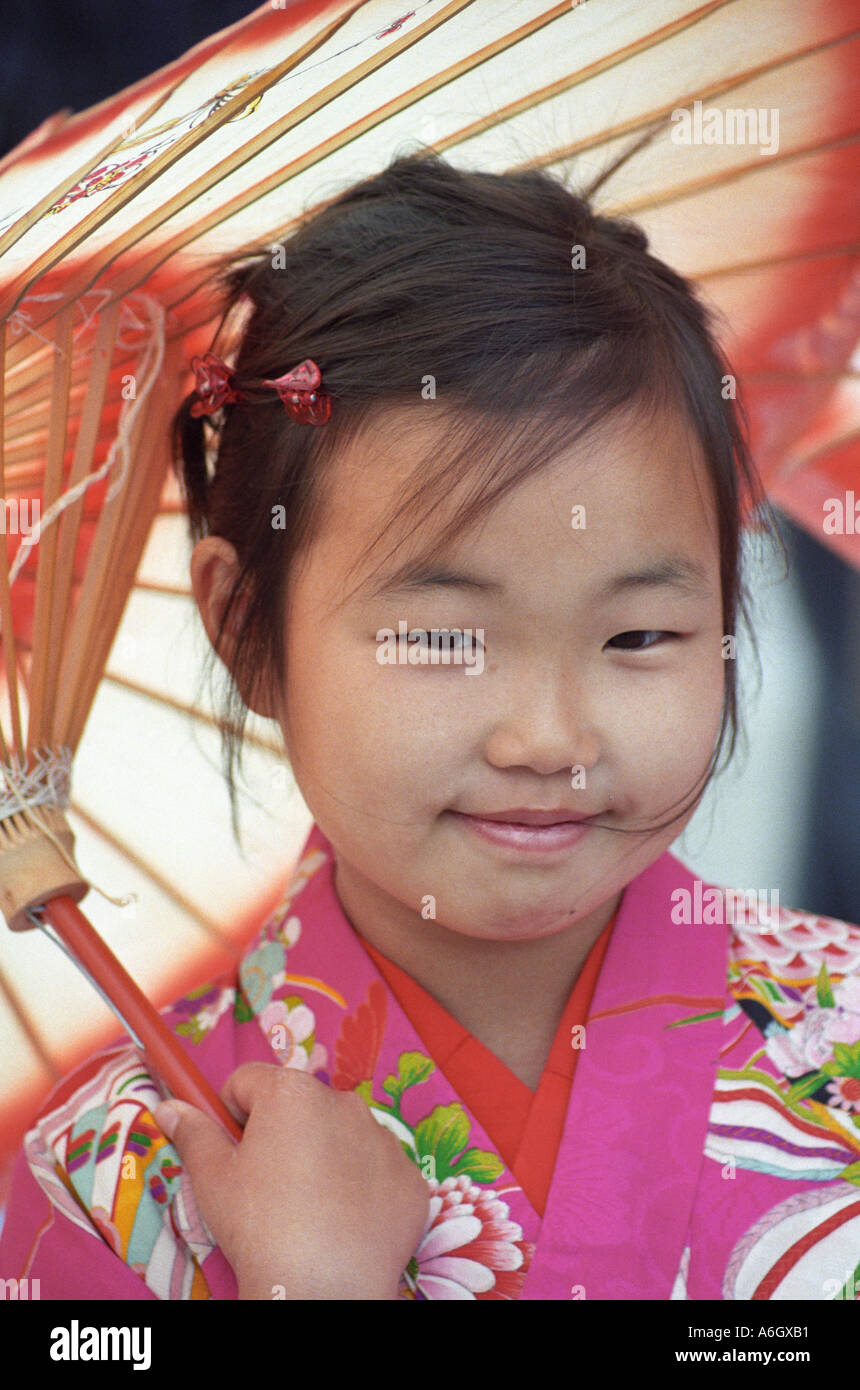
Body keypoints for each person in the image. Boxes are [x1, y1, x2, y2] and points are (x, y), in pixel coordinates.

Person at [1, 150, 858, 1301]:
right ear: (247, 625)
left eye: (638, 637)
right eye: (443, 639)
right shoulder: (111, 1175)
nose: (550, 737)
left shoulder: (838, 1035)